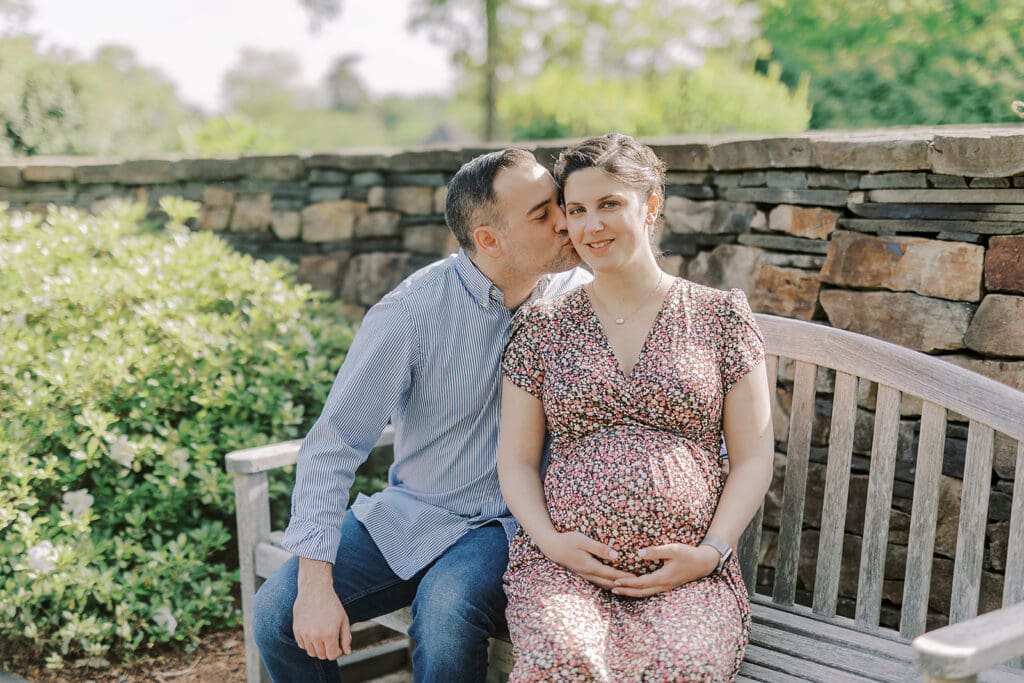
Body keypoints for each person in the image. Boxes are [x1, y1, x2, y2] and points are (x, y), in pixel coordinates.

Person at [252, 147, 590, 682]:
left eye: (560, 205)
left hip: (513, 524)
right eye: (542, 214)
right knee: (276, 616)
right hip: (417, 512)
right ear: (488, 240)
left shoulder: (585, 297)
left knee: (445, 612)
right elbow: (334, 444)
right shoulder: (409, 314)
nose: (566, 223)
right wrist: (316, 587)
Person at [496, 133, 775, 681]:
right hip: (566, 569)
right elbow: (516, 461)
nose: (590, 226)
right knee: (564, 662)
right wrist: (552, 543)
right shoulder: (542, 326)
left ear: (649, 207)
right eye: (576, 210)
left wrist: (711, 552)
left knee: (680, 667)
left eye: (609, 205)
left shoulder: (720, 317)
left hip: (688, 573)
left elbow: (753, 458)